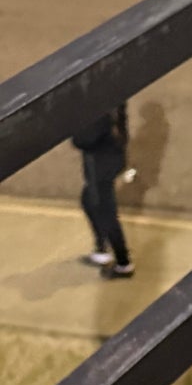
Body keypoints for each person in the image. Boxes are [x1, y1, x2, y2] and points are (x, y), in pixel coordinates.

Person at [73, 103, 134, 279]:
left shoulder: (96, 107)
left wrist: (73, 128)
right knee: (88, 201)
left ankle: (123, 263)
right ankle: (101, 250)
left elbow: (83, 139)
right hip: (110, 159)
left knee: (105, 212)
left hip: (100, 166)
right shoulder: (112, 95)